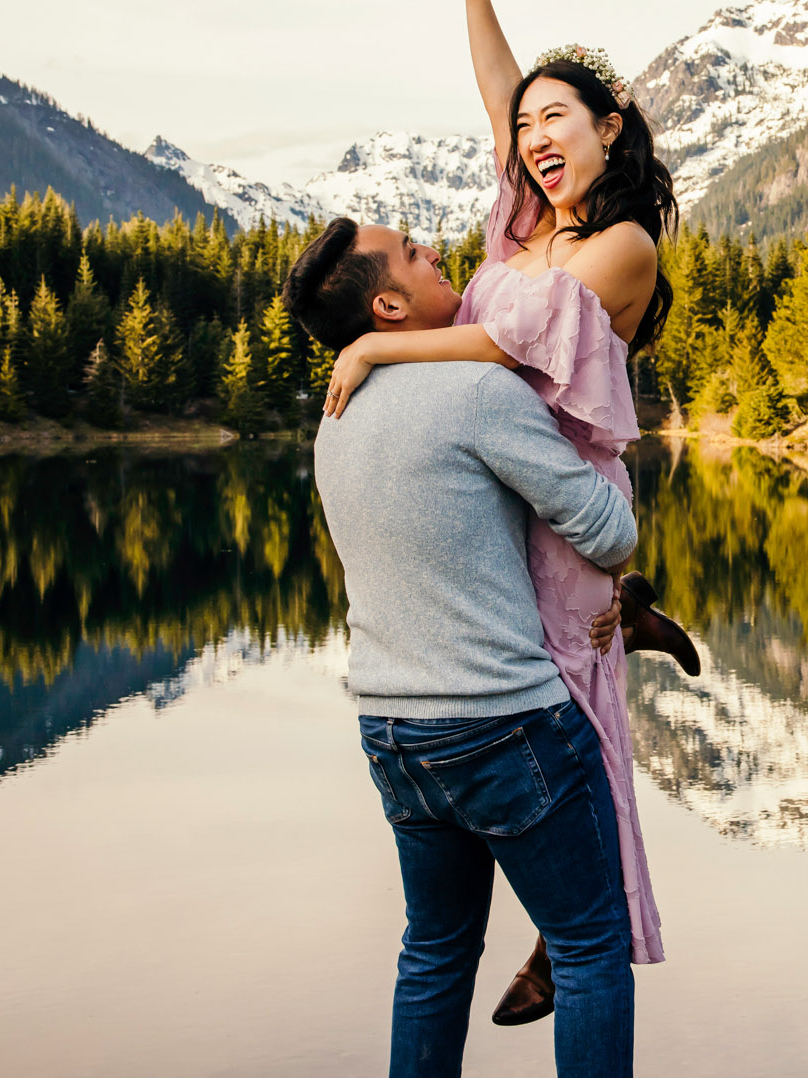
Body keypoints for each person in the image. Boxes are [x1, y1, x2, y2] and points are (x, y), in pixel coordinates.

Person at [318, 0, 691, 1025]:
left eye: (558, 120)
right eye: (527, 128)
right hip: (506, 493)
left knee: (576, 717)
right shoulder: (530, 224)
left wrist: (381, 342)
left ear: (610, 130)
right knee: (554, 715)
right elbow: (498, 94)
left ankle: (572, 934)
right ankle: (565, 928)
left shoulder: (622, 245)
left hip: (565, 499)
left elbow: (506, 340)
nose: (533, 137)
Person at [283, 219, 637, 1078]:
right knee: (589, 950)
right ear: (390, 304)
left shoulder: (337, 416)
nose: (435, 252)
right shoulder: (478, 392)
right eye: (412, 252)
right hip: (507, 725)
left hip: (393, 731)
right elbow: (611, 534)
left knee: (435, 954)